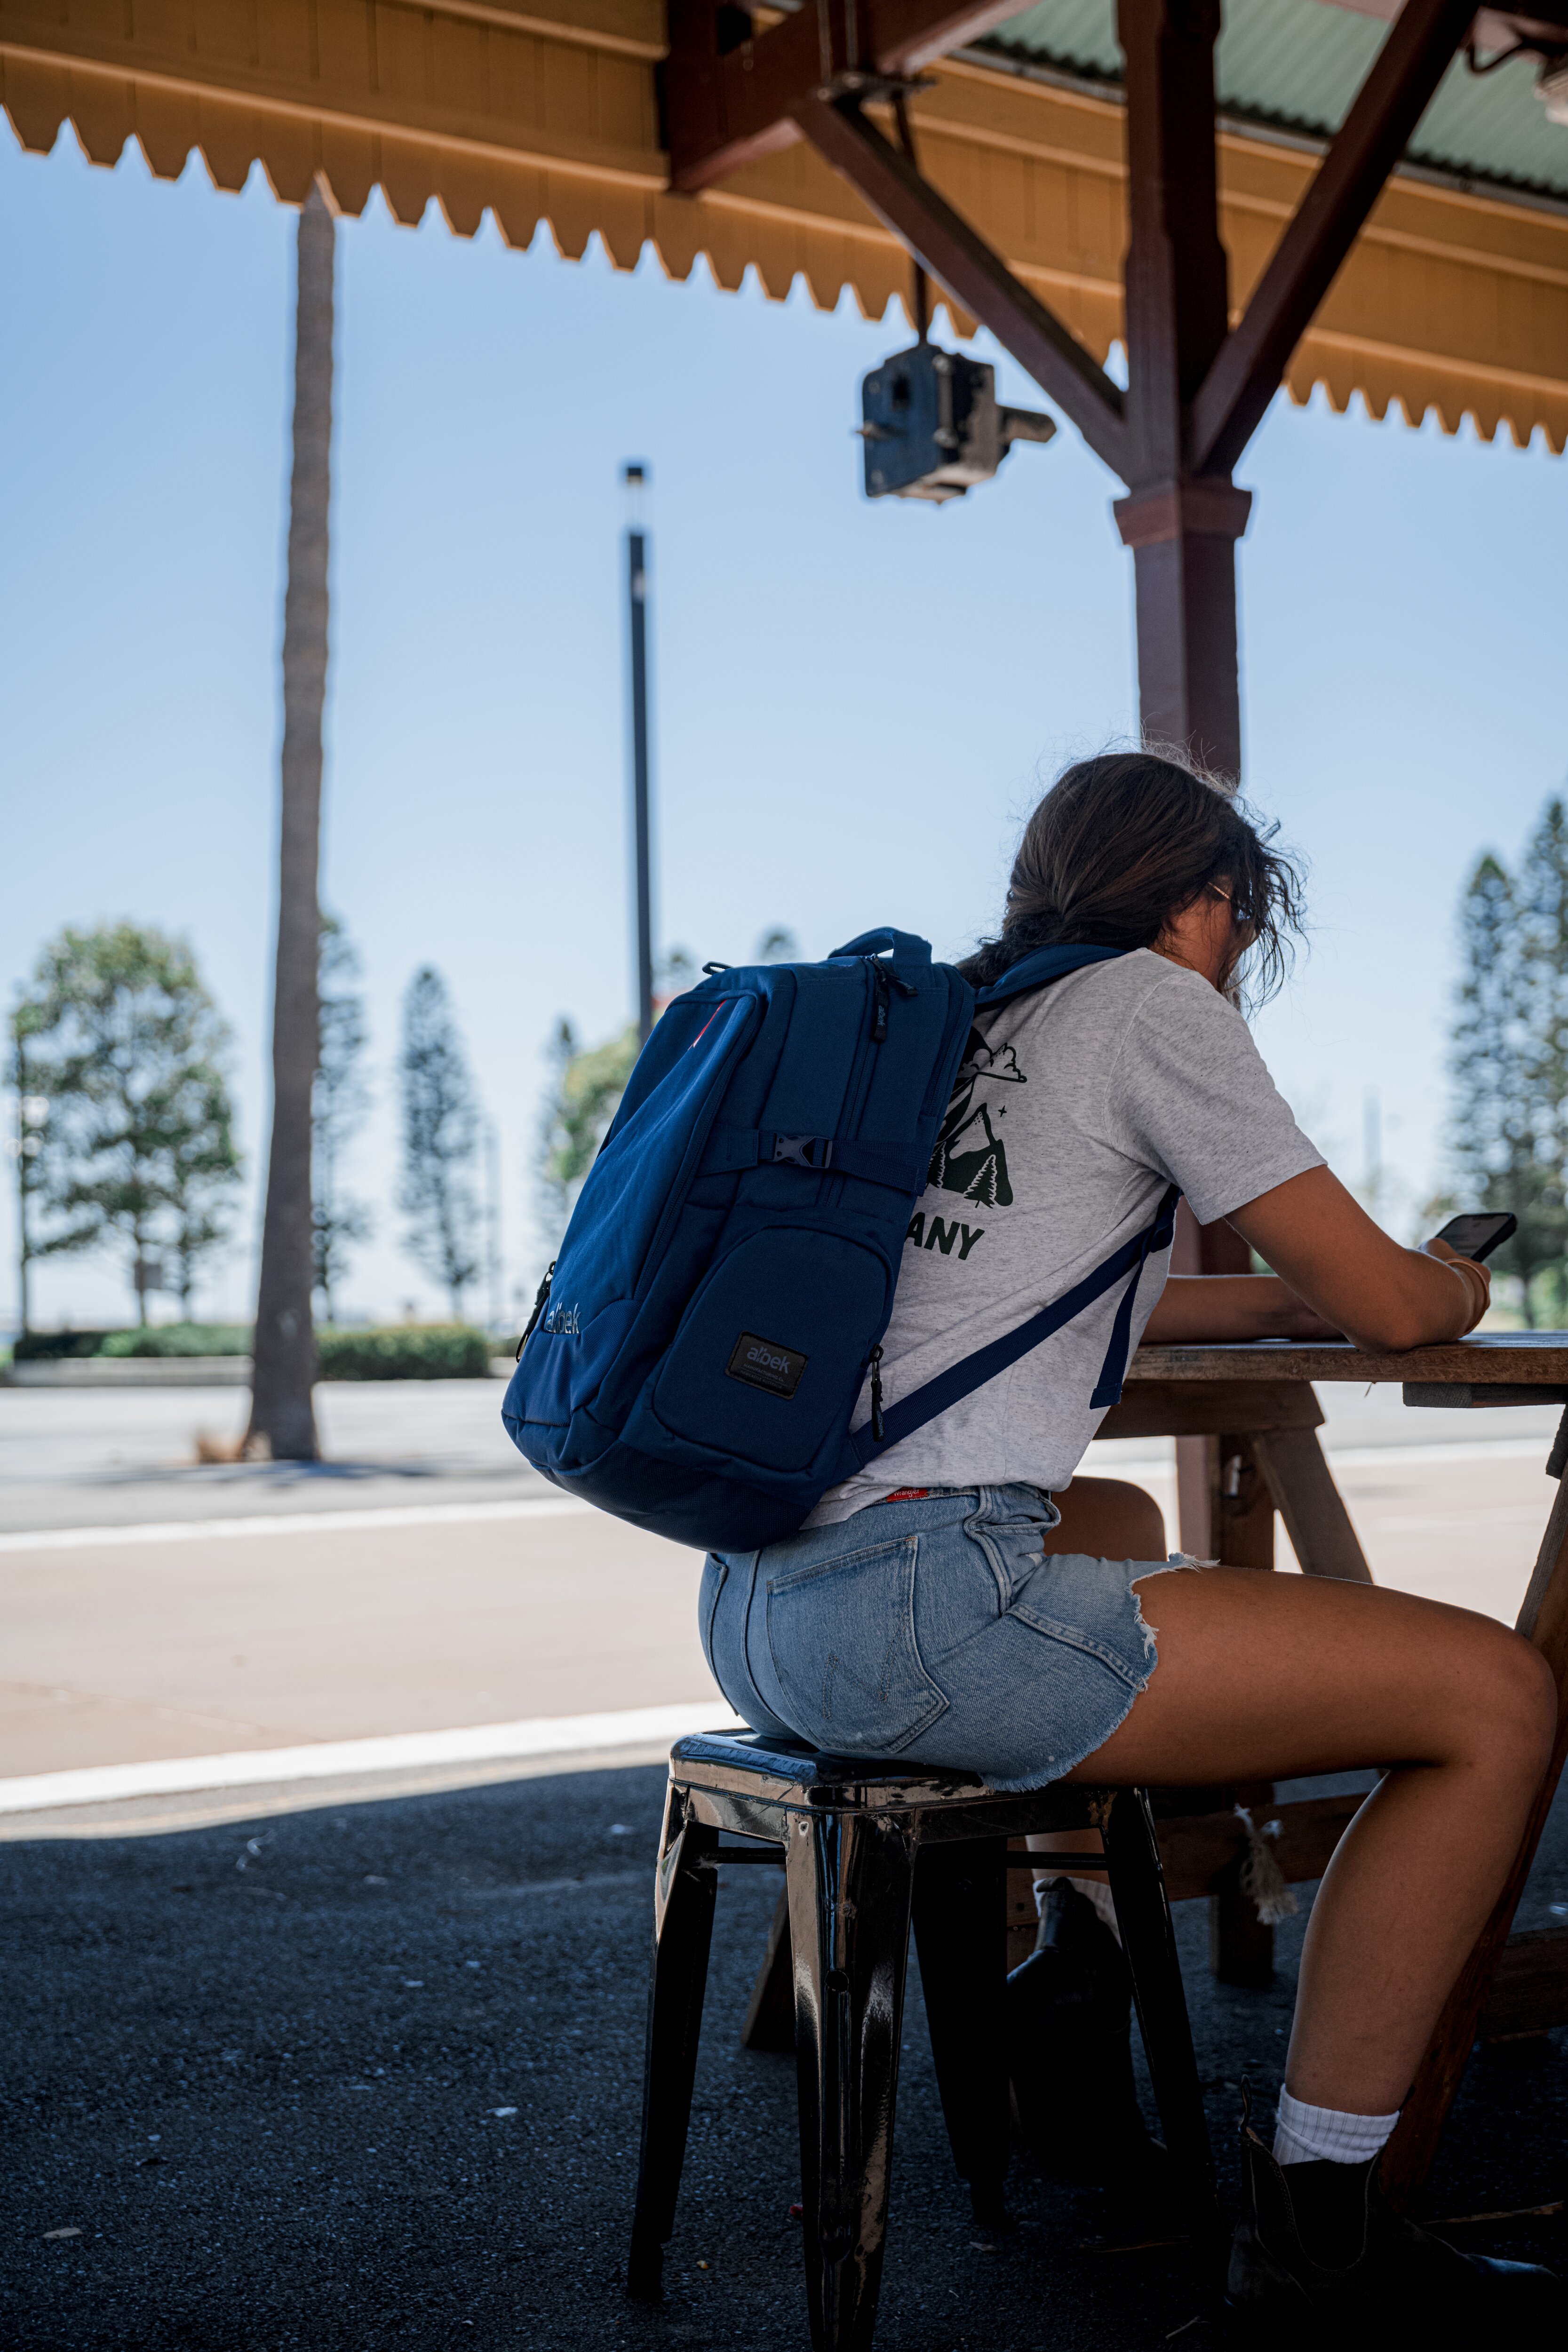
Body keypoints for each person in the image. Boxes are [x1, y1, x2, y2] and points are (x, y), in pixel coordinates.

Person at [698, 751, 1562, 2334]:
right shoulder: (1153, 1006)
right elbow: (1390, 1308)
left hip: (760, 1604)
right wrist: (1450, 1280)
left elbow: (1068, 1285)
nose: (1237, 956)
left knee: (1112, 1520)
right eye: (1243, 924)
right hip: (915, 1625)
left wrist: (1301, 1292)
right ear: (1207, 900)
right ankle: (1321, 2233)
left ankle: (1079, 1969)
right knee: (1496, 1699)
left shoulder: (956, 1026)